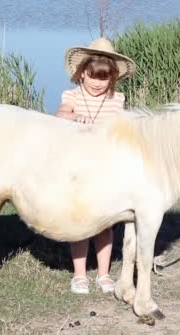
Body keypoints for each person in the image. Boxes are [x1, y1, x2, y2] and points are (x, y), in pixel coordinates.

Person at [56, 37, 136, 294]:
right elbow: (60, 114)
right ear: (82, 74)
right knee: (80, 222)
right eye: (93, 75)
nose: (97, 82)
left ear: (111, 78)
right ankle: (79, 275)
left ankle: (103, 274)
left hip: (107, 168)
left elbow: (123, 129)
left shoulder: (117, 100)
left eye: (103, 77)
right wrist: (72, 116)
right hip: (79, 166)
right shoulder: (72, 96)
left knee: (104, 224)